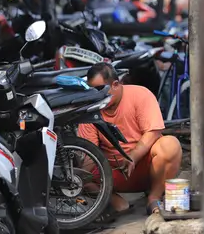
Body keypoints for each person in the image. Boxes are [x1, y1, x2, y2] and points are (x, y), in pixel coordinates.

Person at [78, 62, 182, 219]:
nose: (95, 95)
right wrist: (81, 177)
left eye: (100, 90)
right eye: (92, 90)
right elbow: (89, 153)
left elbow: (153, 132)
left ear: (115, 84)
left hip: (146, 168)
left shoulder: (140, 95)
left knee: (170, 145)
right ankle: (115, 201)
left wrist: (133, 156)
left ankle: (153, 197)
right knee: (79, 176)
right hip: (112, 174)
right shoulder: (91, 108)